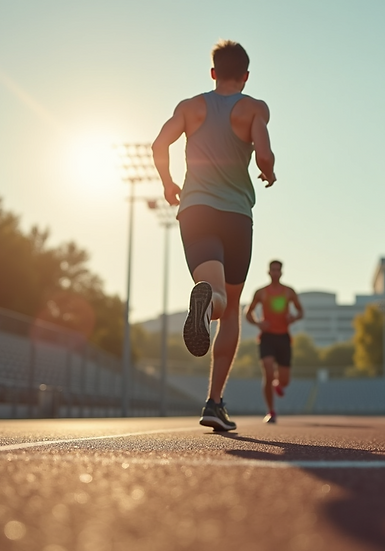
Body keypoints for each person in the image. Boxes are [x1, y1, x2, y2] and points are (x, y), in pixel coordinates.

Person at [152, 40, 276, 432]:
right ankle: (214, 401)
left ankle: (206, 301)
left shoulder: (190, 107)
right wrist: (268, 173)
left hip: (196, 211)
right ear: (246, 76)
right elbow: (264, 153)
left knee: (212, 289)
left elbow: (159, 144)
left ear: (212, 73)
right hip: (236, 215)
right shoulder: (255, 108)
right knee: (233, 305)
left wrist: (169, 183)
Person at [245, 260, 304, 423]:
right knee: (268, 372)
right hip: (267, 337)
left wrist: (293, 317)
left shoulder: (289, 292)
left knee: (284, 380)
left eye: (278, 270)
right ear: (268, 272)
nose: (275, 273)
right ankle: (271, 411)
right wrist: (258, 323)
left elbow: (301, 311)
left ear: (281, 272)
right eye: (273, 270)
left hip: (283, 337)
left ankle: (279, 384)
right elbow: (248, 313)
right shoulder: (261, 292)